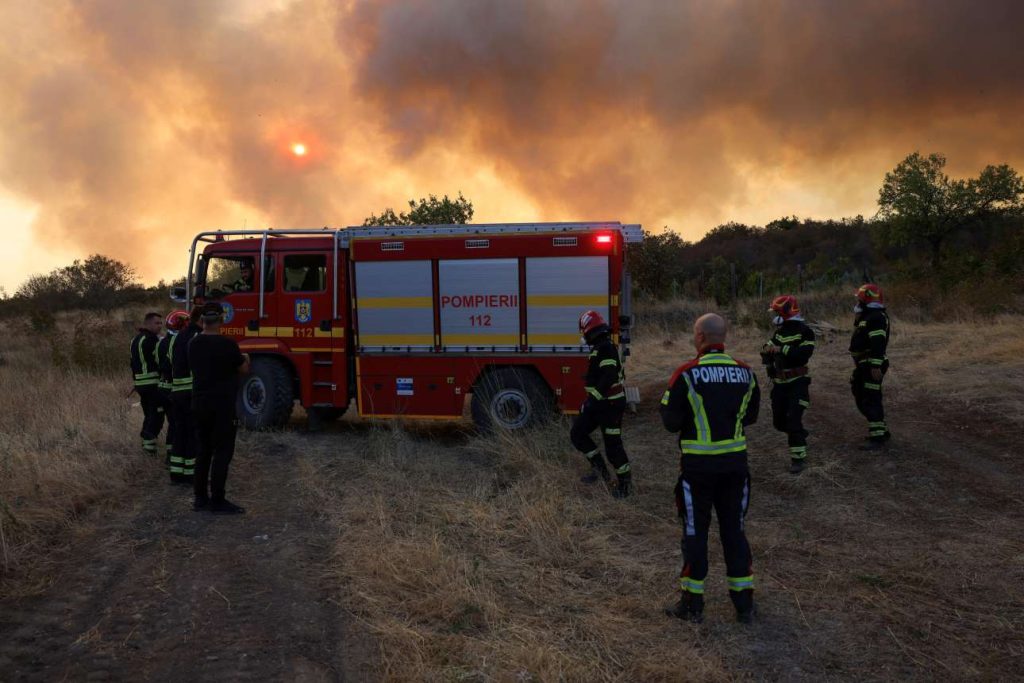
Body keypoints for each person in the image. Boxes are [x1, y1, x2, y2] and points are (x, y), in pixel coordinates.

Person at [660, 313, 760, 624]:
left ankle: (692, 605)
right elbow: (751, 417)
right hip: (735, 467)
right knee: (734, 532)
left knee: (695, 533)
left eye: (694, 333)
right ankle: (744, 606)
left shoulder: (686, 373)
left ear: (701, 336)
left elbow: (670, 422)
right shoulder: (746, 373)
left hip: (698, 469)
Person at [189, 302, 250, 514]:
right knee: (222, 452)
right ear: (222, 320)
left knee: (203, 451)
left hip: (199, 404)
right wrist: (246, 359)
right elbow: (242, 368)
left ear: (202, 321)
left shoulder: (193, 344)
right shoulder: (228, 344)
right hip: (223, 406)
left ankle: (199, 498)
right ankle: (218, 500)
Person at [570, 310, 631, 498]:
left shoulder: (605, 347)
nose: (584, 337)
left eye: (584, 333)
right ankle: (600, 471)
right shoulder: (600, 346)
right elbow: (602, 375)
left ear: (589, 331)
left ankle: (624, 486)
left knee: (613, 446)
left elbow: (609, 376)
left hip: (610, 406)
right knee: (578, 433)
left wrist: (592, 399)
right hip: (599, 405)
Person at [762, 295, 816, 474]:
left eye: (777, 312)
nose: (775, 316)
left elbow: (802, 355)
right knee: (779, 423)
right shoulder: (780, 332)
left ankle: (798, 459)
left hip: (797, 383)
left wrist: (781, 349)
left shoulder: (805, 331)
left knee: (793, 419)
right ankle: (799, 433)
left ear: (786, 311)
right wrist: (767, 352)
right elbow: (767, 350)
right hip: (779, 384)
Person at [849, 283, 891, 449]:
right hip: (864, 364)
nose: (857, 302)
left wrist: (875, 365)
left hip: (871, 364)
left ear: (866, 299)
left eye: (860, 299)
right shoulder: (869, 316)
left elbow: (878, 343)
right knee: (861, 394)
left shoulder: (876, 317)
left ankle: (878, 437)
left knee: (870, 398)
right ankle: (881, 429)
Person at [171, 307, 203, 485]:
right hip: (192, 391)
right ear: (201, 320)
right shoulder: (198, 337)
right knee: (193, 433)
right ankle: (191, 474)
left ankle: (176, 474)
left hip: (177, 391)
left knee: (180, 432)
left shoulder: (180, 336)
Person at [160, 310, 190, 483]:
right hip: (176, 388)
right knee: (179, 427)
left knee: (174, 425)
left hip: (165, 387)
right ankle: (173, 459)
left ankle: (172, 458)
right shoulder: (180, 342)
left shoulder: (163, 342)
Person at [129, 312, 164, 455]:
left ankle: (146, 443)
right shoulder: (152, 340)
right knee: (157, 415)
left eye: (161, 323)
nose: (160, 326)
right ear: (147, 324)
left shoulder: (135, 340)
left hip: (141, 384)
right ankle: (149, 446)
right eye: (157, 323)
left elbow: (132, 363)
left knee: (149, 413)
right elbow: (160, 360)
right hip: (153, 383)